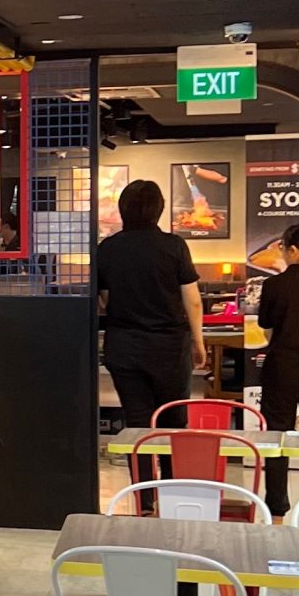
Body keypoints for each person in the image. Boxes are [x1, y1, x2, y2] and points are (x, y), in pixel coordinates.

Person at [95, 177, 205, 429]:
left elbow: (106, 299)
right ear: (159, 209)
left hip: (124, 346)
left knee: (137, 420)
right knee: (172, 418)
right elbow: (193, 301)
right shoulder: (174, 246)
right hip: (169, 347)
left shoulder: (108, 248)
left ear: (123, 209)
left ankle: (141, 456)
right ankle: (169, 457)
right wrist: (198, 341)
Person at [258, 218, 299, 511]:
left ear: (294, 251)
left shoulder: (274, 285)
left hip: (281, 369)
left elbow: (266, 326)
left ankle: (277, 504)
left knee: (276, 438)